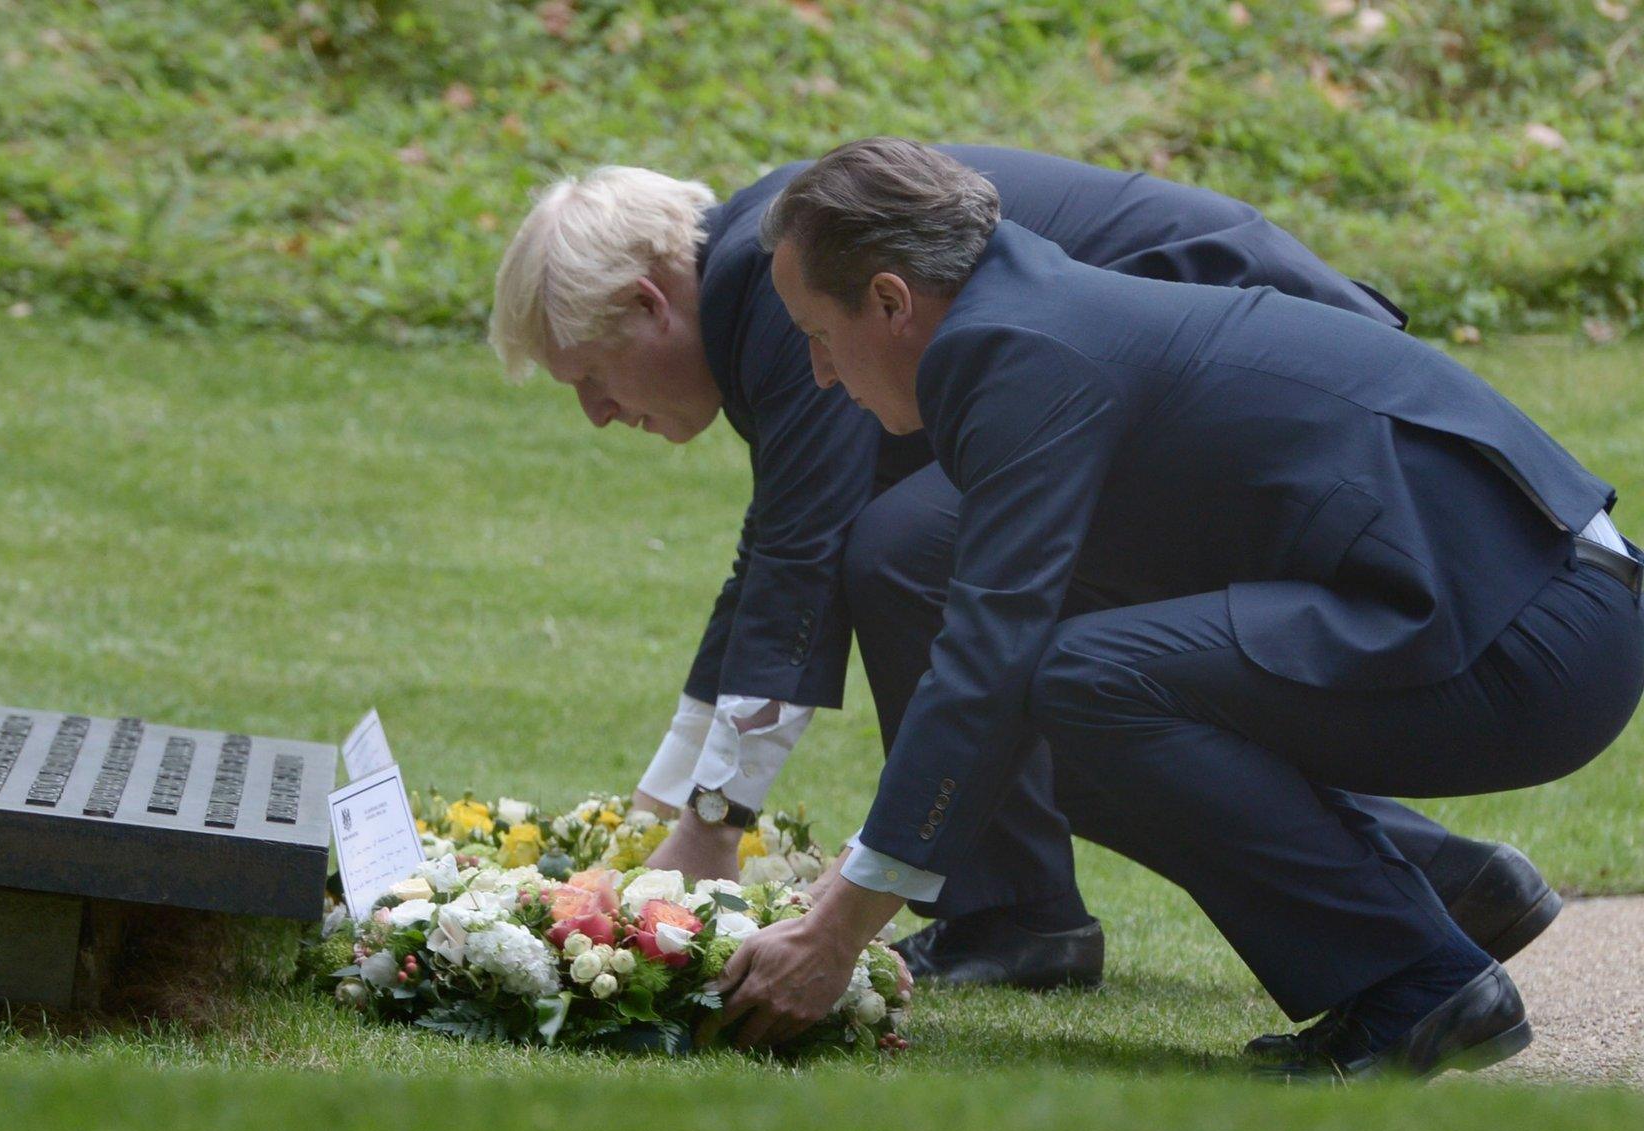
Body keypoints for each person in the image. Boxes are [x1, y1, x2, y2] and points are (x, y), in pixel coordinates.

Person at [488, 147, 1561, 998]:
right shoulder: (764, 275)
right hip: (1186, 389)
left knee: (927, 573)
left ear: (644, 304)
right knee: (996, 616)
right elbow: (771, 561)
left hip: (1268, 400)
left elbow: (800, 561)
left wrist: (713, 826)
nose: (595, 413)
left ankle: (1015, 914)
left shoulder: (777, 286)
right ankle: (1427, 879)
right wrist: (667, 804)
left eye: (589, 376)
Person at [717, 137, 1641, 1079]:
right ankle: (1419, 916)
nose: (820, 373)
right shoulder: (1023, 307)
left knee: (1080, 678)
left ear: (888, 300)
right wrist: (859, 877)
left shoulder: (1010, 349)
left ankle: (1418, 980)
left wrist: (838, 928)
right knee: (1063, 685)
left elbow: (986, 657)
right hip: (1526, 606)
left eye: (816, 335)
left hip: (1535, 636)